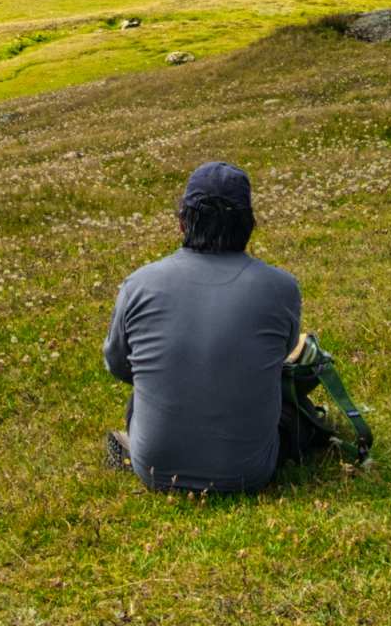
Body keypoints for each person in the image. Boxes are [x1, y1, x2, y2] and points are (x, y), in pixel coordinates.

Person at [103, 162, 313, 493]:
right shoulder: (281, 287)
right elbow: (281, 357)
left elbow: (118, 365)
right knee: (291, 407)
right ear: (248, 223)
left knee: (141, 397)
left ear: (183, 221)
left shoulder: (139, 284)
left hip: (154, 470)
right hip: (250, 473)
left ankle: (139, 442)